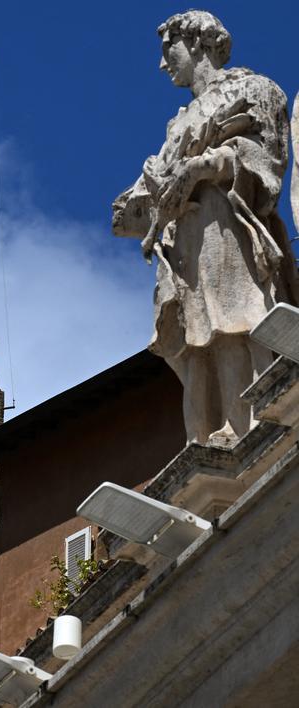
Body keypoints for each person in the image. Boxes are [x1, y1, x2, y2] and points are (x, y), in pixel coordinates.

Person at [112, 10, 299, 444]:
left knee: (235, 320)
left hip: (226, 226)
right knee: (195, 343)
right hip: (185, 247)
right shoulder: (177, 127)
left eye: (168, 50)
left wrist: (202, 167)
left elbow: (265, 160)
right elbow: (126, 211)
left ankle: (250, 425)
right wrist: (144, 203)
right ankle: (207, 437)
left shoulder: (253, 90)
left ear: (197, 42)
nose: (163, 65)